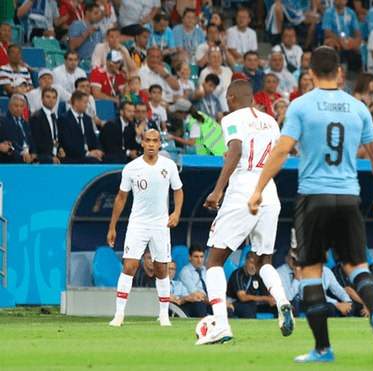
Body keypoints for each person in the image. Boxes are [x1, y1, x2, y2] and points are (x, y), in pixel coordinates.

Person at [248, 46, 373, 362]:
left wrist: (259, 188)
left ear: (311, 73)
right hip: (348, 196)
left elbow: (281, 150)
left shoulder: (300, 106)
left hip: (313, 197)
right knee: (357, 267)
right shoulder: (358, 108)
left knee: (311, 270)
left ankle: (322, 349)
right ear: (340, 73)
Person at [195, 79, 292, 345]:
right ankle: (282, 301)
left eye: (228, 98)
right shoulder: (271, 122)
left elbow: (235, 151)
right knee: (264, 261)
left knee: (214, 262)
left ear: (232, 98)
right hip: (269, 192)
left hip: (242, 192)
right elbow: (280, 155)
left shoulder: (231, 119)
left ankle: (222, 325)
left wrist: (217, 190)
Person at [107, 129, 183, 326]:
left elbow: (178, 190)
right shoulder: (131, 168)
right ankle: (119, 314)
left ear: (160, 144)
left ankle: (164, 314)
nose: (151, 144)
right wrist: (112, 226)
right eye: (147, 140)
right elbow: (121, 197)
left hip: (160, 224)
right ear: (142, 143)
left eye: (155, 141)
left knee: (161, 269)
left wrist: (176, 213)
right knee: (129, 267)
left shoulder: (169, 165)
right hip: (138, 223)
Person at [226, 252, 277, 319]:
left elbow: (266, 294)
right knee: (248, 308)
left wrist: (273, 299)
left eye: (256, 264)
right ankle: (253, 328)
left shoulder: (257, 275)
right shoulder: (238, 274)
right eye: (251, 263)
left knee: (277, 307)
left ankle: (282, 326)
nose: (253, 266)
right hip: (235, 303)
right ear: (245, 261)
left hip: (252, 304)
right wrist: (266, 299)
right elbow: (243, 297)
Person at [57, 91, 103, 163]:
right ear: (76, 102)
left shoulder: (87, 119)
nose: (87, 105)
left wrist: (98, 151)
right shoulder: (64, 119)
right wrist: (87, 154)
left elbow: (93, 138)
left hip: (89, 154)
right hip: (73, 156)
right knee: (93, 161)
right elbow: (67, 142)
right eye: (85, 102)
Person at [0, 94, 37, 164]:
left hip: (28, 152)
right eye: (16, 106)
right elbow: (9, 140)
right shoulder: (4, 121)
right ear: (10, 106)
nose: (18, 109)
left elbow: (32, 140)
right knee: (17, 158)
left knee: (45, 159)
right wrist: (22, 152)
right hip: (16, 152)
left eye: (21, 106)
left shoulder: (27, 123)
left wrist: (34, 153)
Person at [29, 88, 62, 164]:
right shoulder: (37, 117)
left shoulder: (54, 117)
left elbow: (57, 137)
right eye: (48, 97)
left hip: (55, 152)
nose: (51, 100)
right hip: (43, 155)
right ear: (42, 99)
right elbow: (36, 140)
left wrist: (60, 149)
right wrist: (51, 156)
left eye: (54, 97)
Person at [177, 244, 210, 309]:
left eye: (202, 256)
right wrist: (216, 302)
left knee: (227, 308)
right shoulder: (185, 272)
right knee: (200, 304)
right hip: (193, 303)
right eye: (196, 257)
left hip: (208, 301)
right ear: (189, 257)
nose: (199, 260)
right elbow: (196, 294)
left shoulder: (206, 270)